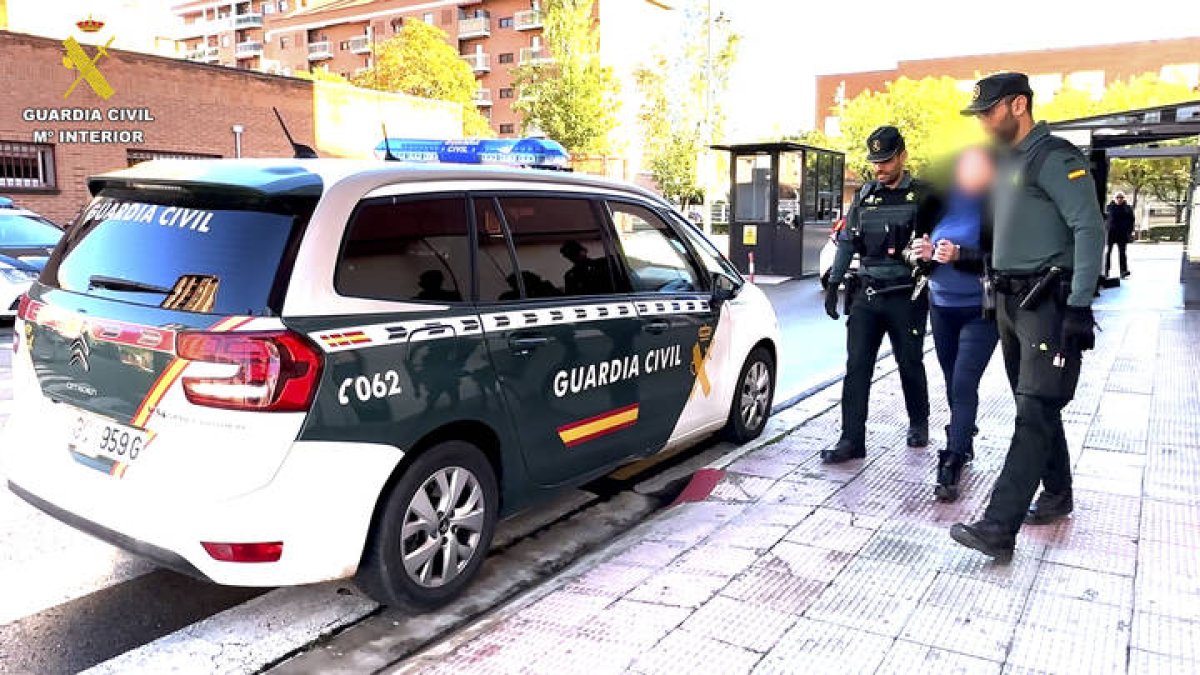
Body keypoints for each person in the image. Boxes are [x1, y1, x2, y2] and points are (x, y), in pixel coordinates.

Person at [951, 72, 1105, 560]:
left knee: (1035, 411)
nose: (982, 121)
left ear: (1018, 105)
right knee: (1035, 405)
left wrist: (1079, 304)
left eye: (988, 111)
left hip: (1047, 306)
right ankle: (1057, 494)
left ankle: (999, 526)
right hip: (1009, 304)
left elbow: (1090, 228)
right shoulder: (1009, 162)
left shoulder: (1054, 157)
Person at [822, 125, 943, 464]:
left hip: (907, 295)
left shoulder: (925, 195)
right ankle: (851, 440)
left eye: (887, 160)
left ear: (903, 156)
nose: (880, 168)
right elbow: (848, 240)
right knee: (857, 366)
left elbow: (945, 236)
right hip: (868, 294)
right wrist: (834, 282)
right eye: (876, 161)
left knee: (909, 362)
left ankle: (919, 422)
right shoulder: (864, 195)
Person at [911, 147, 999, 502]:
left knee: (964, 382)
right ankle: (963, 434)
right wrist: (924, 255)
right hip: (941, 306)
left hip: (980, 309)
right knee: (951, 380)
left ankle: (952, 459)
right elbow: (914, 253)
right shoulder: (937, 203)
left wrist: (962, 256)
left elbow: (1003, 260)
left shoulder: (996, 206)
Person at [1105, 191, 1135, 278]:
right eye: (1117, 197)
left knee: (1122, 253)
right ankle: (1106, 271)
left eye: (1121, 197)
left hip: (1122, 234)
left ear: (1123, 198)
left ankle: (1123, 271)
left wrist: (1129, 232)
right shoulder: (1109, 207)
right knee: (1108, 252)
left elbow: (1131, 221)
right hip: (1110, 233)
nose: (1119, 199)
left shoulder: (1127, 208)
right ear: (1114, 198)